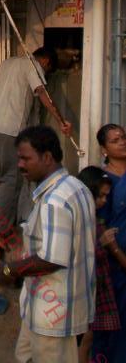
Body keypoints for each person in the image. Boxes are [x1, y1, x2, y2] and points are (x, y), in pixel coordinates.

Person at [0, 125, 96, 363]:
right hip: (49, 308)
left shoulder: (55, 200)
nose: (20, 165)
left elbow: (51, 259)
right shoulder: (77, 187)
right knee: (25, 355)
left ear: (47, 157)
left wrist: (10, 270)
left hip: (53, 314)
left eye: (25, 158)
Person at [0, 47, 72, 248]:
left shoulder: (8, 63)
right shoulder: (33, 66)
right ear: (47, 62)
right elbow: (41, 92)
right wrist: (61, 120)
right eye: (47, 72)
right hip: (10, 129)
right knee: (11, 179)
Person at [76, 165, 123, 362]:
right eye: (101, 196)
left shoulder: (96, 219)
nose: (104, 201)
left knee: (90, 338)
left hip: (97, 290)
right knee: (85, 339)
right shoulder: (81, 219)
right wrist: (104, 244)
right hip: (85, 291)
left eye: (106, 196)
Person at [96, 124, 126, 360]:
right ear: (104, 149)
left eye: (123, 137)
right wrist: (119, 255)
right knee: (114, 323)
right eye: (115, 140)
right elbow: (102, 226)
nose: (122, 142)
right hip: (116, 263)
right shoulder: (104, 181)